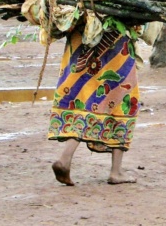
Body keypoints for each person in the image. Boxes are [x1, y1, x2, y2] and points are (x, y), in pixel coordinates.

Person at [48, 23, 141, 185]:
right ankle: (116, 171)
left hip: (81, 39)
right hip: (115, 40)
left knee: (83, 100)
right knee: (120, 101)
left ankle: (65, 158)